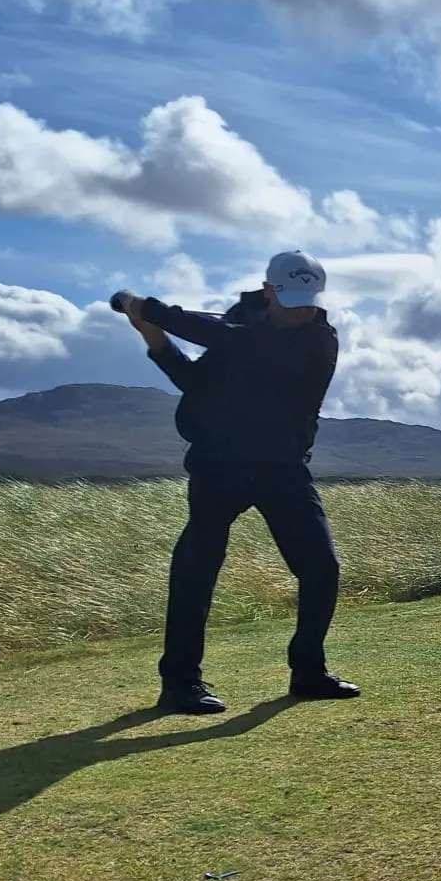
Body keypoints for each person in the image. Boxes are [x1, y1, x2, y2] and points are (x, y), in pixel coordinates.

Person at [116, 251, 359, 715]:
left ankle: (308, 671)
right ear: (268, 291)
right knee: (196, 571)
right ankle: (180, 684)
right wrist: (155, 337)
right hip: (218, 465)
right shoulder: (238, 332)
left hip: (281, 466)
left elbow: (228, 339)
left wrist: (144, 306)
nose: (301, 308)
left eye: (308, 299)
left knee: (321, 566)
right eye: (290, 298)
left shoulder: (318, 340)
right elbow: (193, 380)